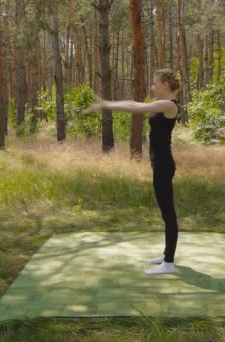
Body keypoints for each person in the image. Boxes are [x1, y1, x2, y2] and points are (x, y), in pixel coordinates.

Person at [86, 69, 181, 275]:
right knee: (166, 213)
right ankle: (167, 255)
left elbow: (134, 106)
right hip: (159, 163)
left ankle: (169, 263)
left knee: (168, 213)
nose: (152, 87)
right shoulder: (162, 105)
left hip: (164, 165)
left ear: (165, 84)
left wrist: (107, 104)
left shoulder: (168, 105)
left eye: (155, 83)